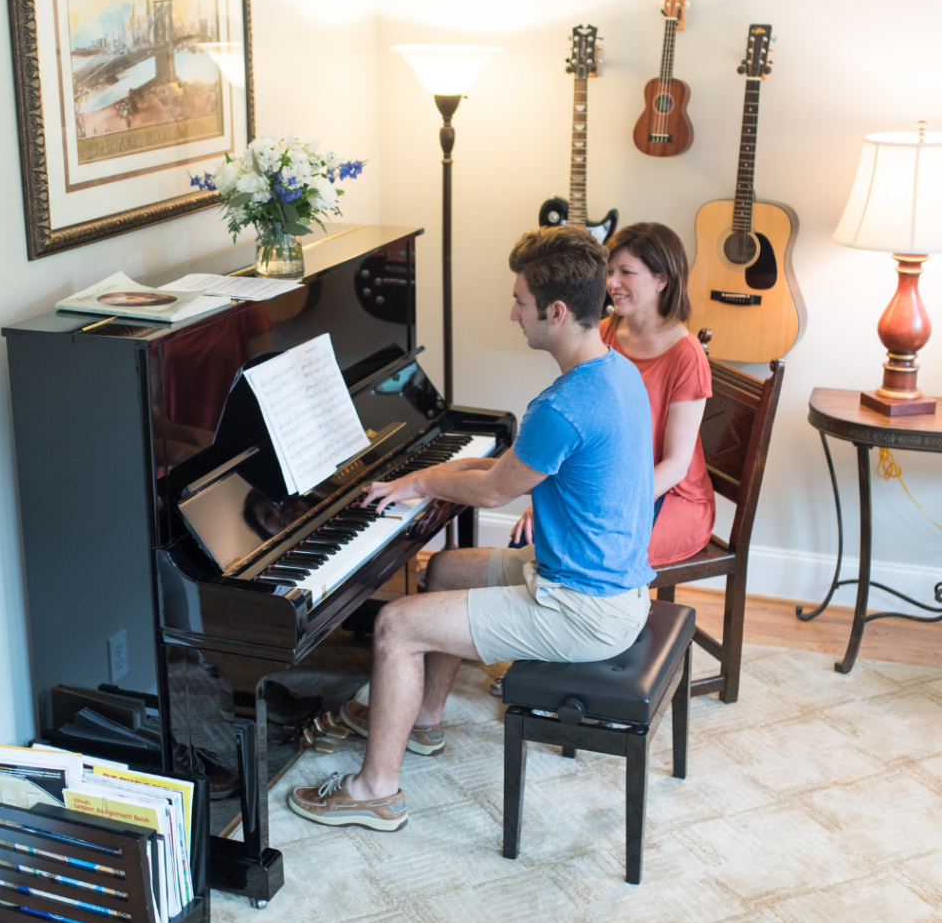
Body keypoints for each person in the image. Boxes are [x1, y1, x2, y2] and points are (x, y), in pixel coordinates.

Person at [286, 225, 657, 833]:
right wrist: (427, 472)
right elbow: (509, 467)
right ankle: (424, 718)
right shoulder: (615, 374)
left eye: (521, 301)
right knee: (442, 569)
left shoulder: (561, 406)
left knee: (395, 623)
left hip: (585, 610)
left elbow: (493, 489)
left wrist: (426, 482)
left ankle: (375, 790)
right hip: (602, 583)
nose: (513, 313)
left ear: (557, 311)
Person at [511, 221, 714, 566]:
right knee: (533, 540)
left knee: (582, 552)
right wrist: (551, 505)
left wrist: (596, 510)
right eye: (610, 271)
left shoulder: (687, 354)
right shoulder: (602, 333)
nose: (611, 283)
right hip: (608, 483)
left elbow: (676, 466)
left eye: (626, 273)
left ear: (662, 280)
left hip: (668, 496)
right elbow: (580, 433)